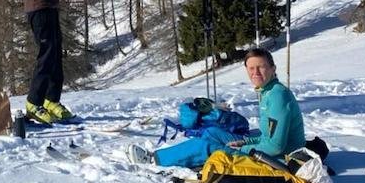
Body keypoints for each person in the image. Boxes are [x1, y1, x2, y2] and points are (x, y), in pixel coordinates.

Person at [127, 48, 305, 165]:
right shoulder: (267, 91)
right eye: (251, 68)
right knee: (212, 133)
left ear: (273, 69)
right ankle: (188, 158)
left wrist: (242, 148)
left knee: (206, 146)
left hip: (279, 159)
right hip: (269, 150)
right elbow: (267, 137)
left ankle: (153, 159)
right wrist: (245, 141)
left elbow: (275, 147)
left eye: (261, 67)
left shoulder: (278, 96)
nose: (255, 73)